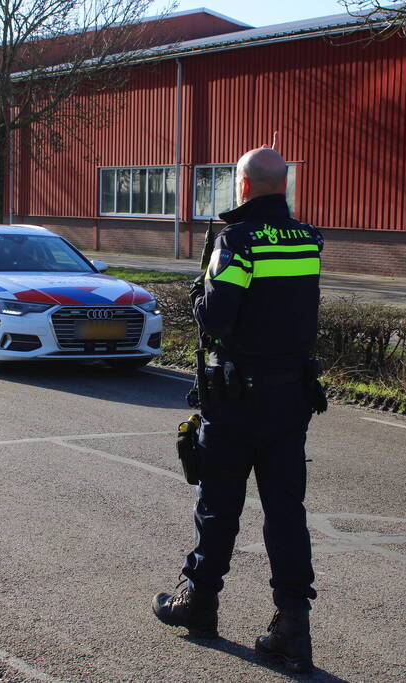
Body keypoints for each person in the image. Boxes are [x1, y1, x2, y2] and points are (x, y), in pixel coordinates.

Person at [152, 146, 324, 674]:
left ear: (243, 186)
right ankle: (292, 626)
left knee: (219, 503)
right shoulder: (308, 238)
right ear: (284, 185)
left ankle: (198, 602)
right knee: (285, 512)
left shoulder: (236, 240)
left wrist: (200, 289)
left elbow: (218, 317)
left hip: (235, 399)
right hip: (290, 397)